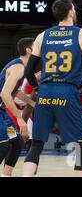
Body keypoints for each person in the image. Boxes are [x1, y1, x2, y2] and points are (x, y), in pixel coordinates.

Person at [22, 0, 82, 177]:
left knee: (37, 144)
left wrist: (37, 88)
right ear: (71, 12)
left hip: (45, 91)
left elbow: (28, 71)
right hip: (67, 91)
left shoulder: (43, 36)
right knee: (80, 144)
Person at [0, 38, 35, 177]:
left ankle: (6, 175)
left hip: (1, 112)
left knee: (17, 142)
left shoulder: (21, 67)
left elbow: (15, 91)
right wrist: (19, 118)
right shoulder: (18, 67)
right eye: (36, 47)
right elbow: (4, 94)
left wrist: (31, 103)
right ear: (28, 50)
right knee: (3, 145)